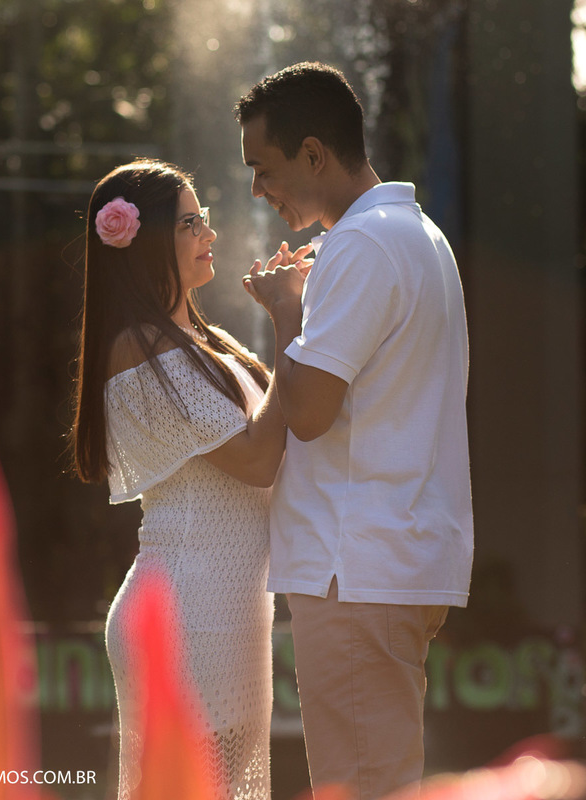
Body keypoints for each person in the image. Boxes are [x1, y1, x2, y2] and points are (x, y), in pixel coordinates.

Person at [236, 62, 473, 799]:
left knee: (362, 786)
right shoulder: (417, 234)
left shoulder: (363, 244)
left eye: (264, 168)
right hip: (386, 560)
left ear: (313, 154)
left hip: (355, 567)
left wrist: (286, 311)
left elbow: (308, 416)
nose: (257, 190)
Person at [69, 159, 309, 800]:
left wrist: (299, 307)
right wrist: (288, 320)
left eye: (203, 219)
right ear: (145, 241)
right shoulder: (139, 348)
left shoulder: (203, 340)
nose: (209, 233)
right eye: (189, 223)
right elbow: (258, 459)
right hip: (188, 613)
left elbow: (281, 424)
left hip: (225, 610)